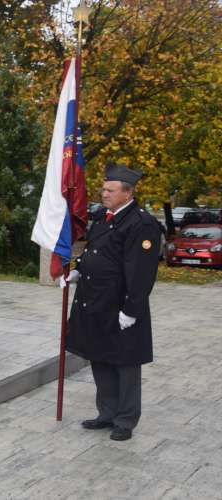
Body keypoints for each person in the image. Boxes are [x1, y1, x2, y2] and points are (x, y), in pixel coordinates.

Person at [62, 162, 160, 442]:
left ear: (127, 194)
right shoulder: (105, 217)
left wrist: (131, 309)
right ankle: (106, 412)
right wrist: (79, 268)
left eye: (110, 189)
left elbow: (141, 272)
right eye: (103, 188)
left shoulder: (141, 223)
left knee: (125, 363)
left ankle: (125, 420)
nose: (103, 193)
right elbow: (95, 249)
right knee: (100, 356)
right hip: (95, 301)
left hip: (120, 305)